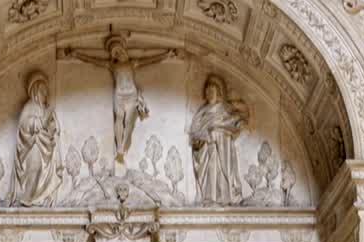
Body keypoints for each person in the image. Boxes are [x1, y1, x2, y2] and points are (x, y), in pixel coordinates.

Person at [62, 35, 177, 164]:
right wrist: (76, 54)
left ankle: (123, 146)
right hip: (119, 97)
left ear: (123, 50)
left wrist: (167, 55)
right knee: (119, 119)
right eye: (115, 52)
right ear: (114, 55)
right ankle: (119, 149)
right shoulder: (112, 65)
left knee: (129, 122)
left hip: (131, 96)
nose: (119, 53)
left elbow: (150, 60)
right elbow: (93, 60)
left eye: (119, 50)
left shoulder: (132, 63)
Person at [189, 75, 249, 205]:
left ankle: (225, 195)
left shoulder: (224, 109)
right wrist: (202, 139)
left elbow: (236, 120)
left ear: (219, 92)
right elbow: (194, 132)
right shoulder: (201, 112)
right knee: (211, 171)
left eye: (212, 91)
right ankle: (210, 197)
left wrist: (220, 129)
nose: (209, 94)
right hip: (206, 150)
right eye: (207, 91)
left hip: (222, 148)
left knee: (220, 170)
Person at [10, 72, 65, 207]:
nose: (45, 95)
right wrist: (41, 121)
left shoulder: (47, 109)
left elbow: (55, 128)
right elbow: (25, 125)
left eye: (46, 92)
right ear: (35, 91)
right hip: (33, 146)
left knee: (42, 167)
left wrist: (51, 125)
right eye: (42, 91)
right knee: (35, 166)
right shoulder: (30, 107)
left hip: (46, 148)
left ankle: (41, 197)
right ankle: (28, 197)